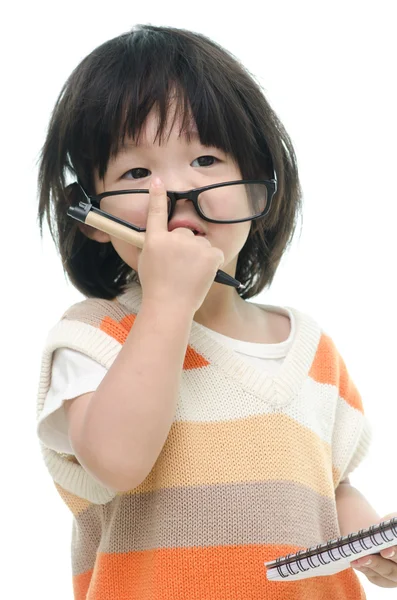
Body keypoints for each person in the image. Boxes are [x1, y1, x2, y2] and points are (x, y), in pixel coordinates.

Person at [35, 24, 397, 600]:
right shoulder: (95, 337)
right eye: (136, 173)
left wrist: (370, 541)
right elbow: (117, 461)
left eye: (205, 158)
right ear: (89, 215)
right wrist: (168, 302)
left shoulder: (314, 351)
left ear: (260, 195)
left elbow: (331, 488)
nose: (174, 190)